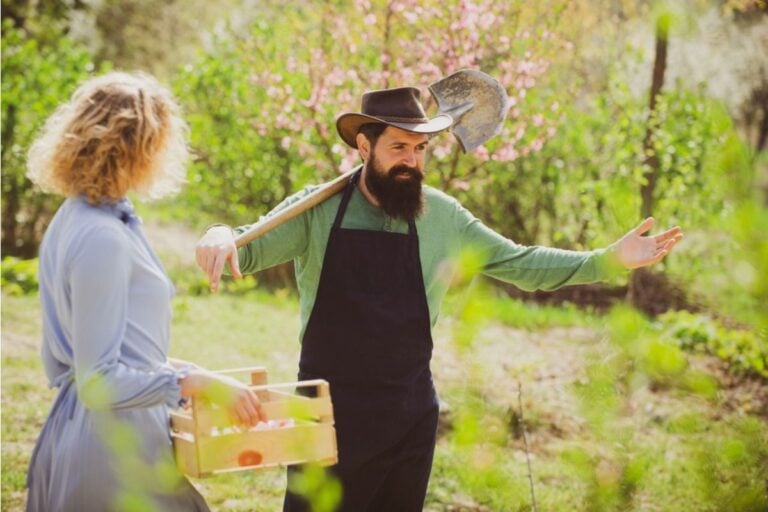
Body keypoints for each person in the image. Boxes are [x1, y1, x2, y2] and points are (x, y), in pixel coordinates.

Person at [195, 86, 683, 511]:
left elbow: (521, 262)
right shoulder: (316, 211)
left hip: (409, 415)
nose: (412, 161)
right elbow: (246, 245)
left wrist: (607, 260)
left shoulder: (443, 218)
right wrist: (219, 234)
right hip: (327, 416)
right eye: (400, 147)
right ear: (364, 146)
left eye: (421, 148)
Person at [25, 71, 265, 512]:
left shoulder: (78, 216)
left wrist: (193, 373)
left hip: (100, 434)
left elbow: (83, 356)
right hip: (112, 453)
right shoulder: (102, 236)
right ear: (141, 146)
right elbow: (98, 381)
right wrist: (194, 382)